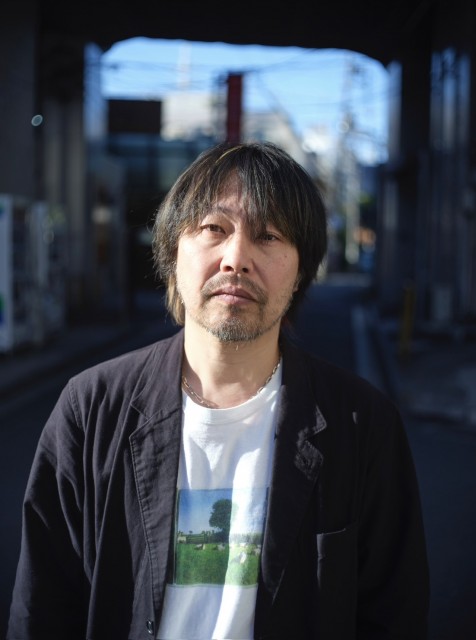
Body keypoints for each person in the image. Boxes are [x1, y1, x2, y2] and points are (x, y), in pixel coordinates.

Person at [7, 141, 429, 639]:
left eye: (269, 235)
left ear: (301, 271)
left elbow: (393, 616)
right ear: (173, 252)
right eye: (214, 228)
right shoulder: (91, 409)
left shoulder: (363, 425)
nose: (236, 259)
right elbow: (41, 611)